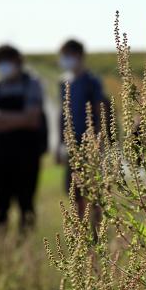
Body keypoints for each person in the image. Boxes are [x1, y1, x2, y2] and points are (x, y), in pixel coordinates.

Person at [0, 45, 46, 232]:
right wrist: (19, 118)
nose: (2, 67)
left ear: (17, 61)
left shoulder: (32, 84)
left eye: (5, 62)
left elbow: (33, 119)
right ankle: (1, 246)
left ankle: (23, 247)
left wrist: (0, 117)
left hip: (26, 157)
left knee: (26, 204)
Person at [56, 39, 106, 227]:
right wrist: (59, 144)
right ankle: (80, 230)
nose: (65, 59)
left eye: (69, 55)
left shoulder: (91, 82)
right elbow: (62, 114)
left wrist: (99, 141)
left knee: (93, 189)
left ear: (79, 56)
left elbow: (98, 110)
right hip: (71, 142)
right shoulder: (63, 82)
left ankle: (96, 229)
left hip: (89, 142)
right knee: (73, 189)